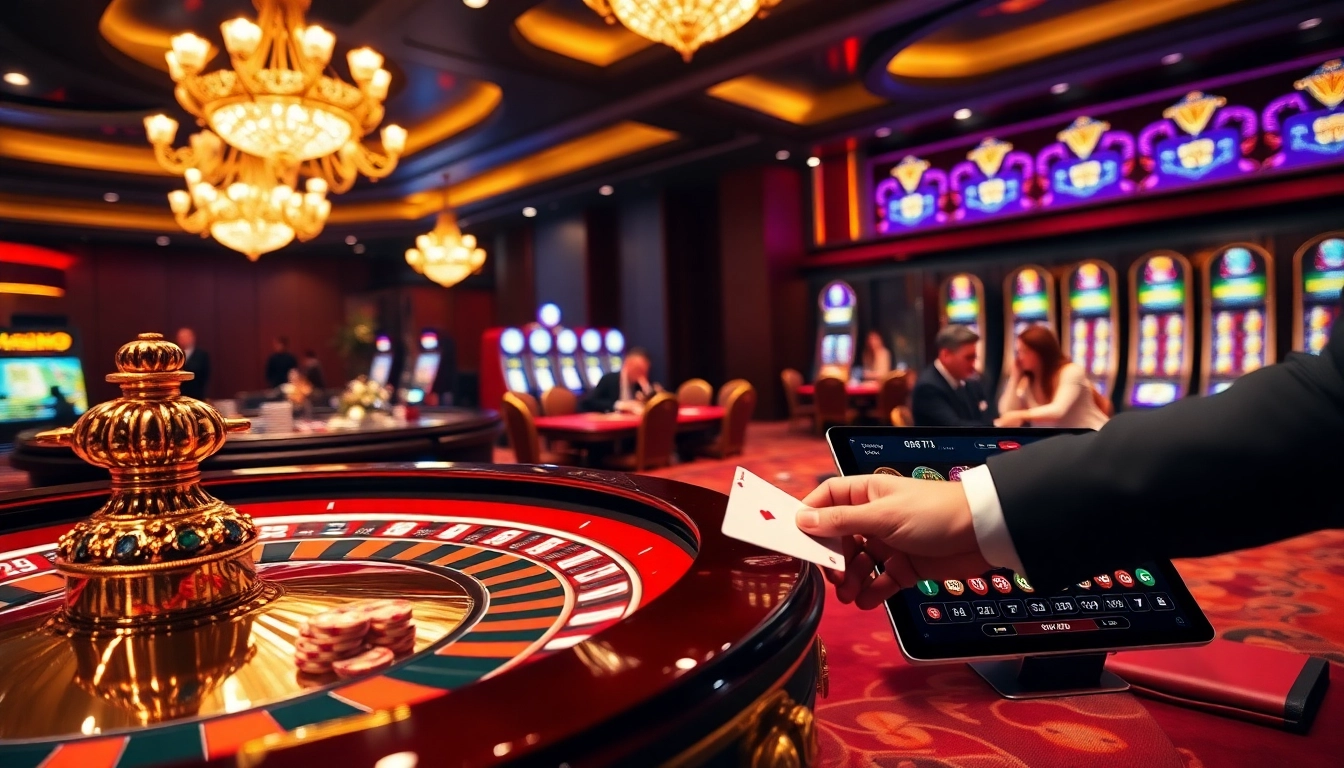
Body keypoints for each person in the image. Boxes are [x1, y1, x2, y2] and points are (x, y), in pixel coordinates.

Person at [796, 295, 1344, 608]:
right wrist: (980, 519)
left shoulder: (1069, 373)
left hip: (1074, 444)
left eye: (1016, 350)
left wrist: (980, 509)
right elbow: (1323, 407)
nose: (996, 358)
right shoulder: (971, 381)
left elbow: (1319, 408)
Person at [995, 324, 1109, 429]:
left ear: (1040, 352)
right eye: (1018, 352)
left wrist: (1020, 415)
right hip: (1061, 444)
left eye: (1024, 351)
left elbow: (1058, 411)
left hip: (1094, 438)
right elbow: (1006, 411)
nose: (1019, 358)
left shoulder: (1071, 371)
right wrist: (1014, 378)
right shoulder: (1029, 382)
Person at [910, 325, 997, 426]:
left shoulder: (969, 380)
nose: (973, 364)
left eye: (974, 358)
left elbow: (989, 414)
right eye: (969, 358)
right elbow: (955, 428)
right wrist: (997, 425)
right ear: (946, 355)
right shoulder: (928, 388)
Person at [581, 348, 662, 413]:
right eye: (638, 369)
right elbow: (591, 402)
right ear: (627, 365)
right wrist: (620, 405)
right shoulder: (609, 379)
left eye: (644, 371)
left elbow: (653, 405)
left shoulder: (640, 383)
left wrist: (646, 387)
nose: (641, 374)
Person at [177, 327, 211, 400]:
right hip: (178, 395)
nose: (183, 340)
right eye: (181, 337)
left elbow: (204, 375)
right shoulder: (175, 355)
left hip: (196, 396)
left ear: (192, 338)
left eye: (185, 337)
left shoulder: (201, 355)